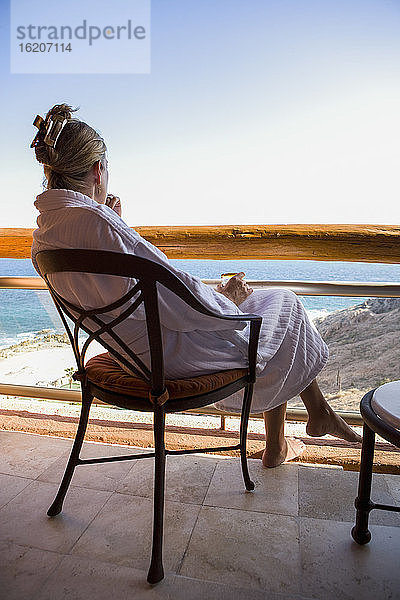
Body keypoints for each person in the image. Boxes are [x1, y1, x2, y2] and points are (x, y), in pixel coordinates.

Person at [30, 104, 361, 468]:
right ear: (98, 170)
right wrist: (227, 299)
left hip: (131, 355)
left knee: (268, 313)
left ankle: (300, 427)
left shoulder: (45, 238)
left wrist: (116, 223)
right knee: (284, 303)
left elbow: (124, 288)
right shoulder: (103, 228)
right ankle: (295, 431)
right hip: (172, 360)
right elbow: (179, 299)